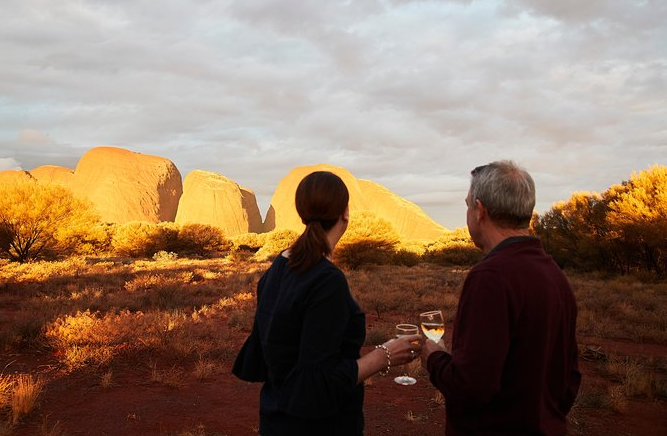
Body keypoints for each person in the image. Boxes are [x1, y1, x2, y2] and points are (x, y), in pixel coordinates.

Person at [233, 170, 422, 436]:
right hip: (319, 425)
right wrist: (385, 354)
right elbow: (316, 381)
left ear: (302, 215)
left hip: (276, 419)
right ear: (345, 212)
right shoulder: (325, 280)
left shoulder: (278, 267)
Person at [420, 160, 581, 436]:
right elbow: (570, 380)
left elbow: (470, 387)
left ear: (480, 211)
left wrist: (434, 358)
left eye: (467, 204)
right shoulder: (554, 274)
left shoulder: (491, 277)